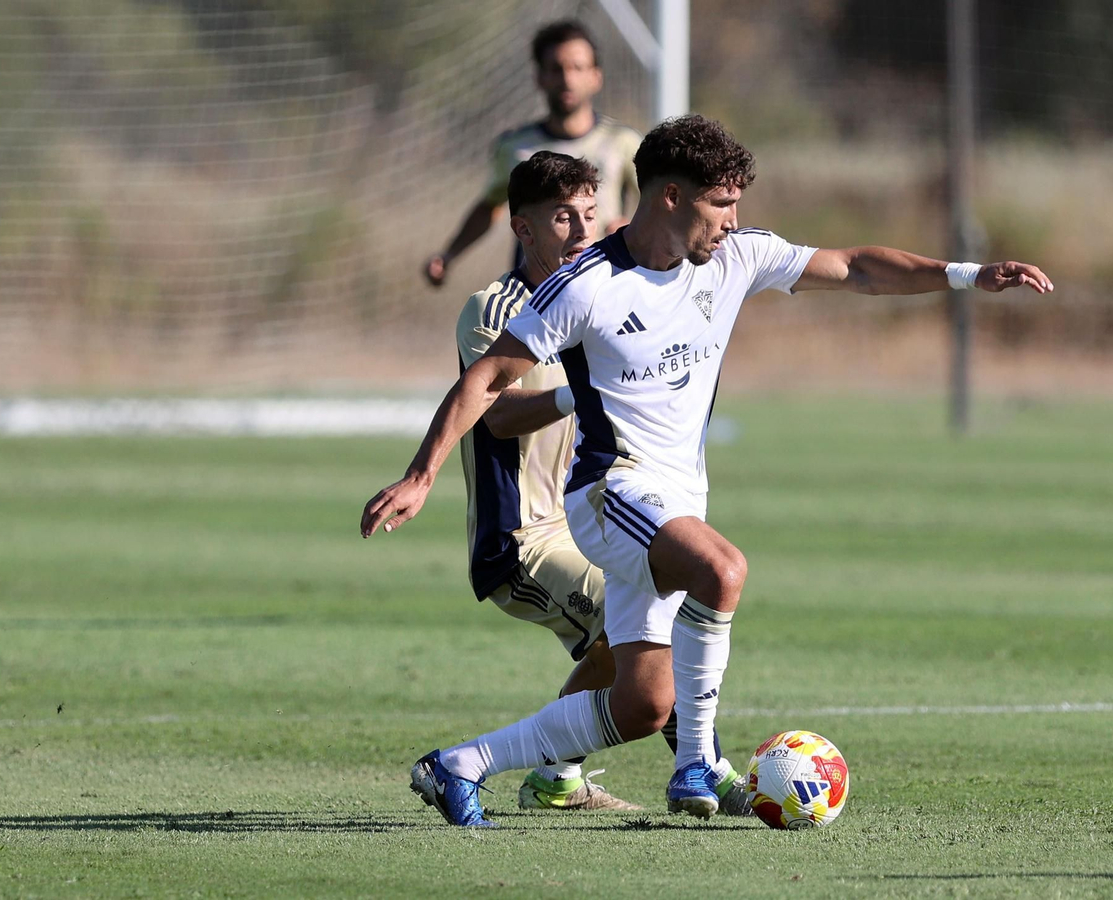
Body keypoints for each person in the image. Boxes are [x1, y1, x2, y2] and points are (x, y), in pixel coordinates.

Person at [363, 115, 1053, 827]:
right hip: (609, 492)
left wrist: (969, 275)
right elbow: (486, 379)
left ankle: (459, 765)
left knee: (640, 705)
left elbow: (855, 268)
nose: (733, 220)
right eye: (721, 204)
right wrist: (421, 475)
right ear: (669, 196)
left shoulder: (736, 257)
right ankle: (698, 765)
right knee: (722, 570)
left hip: (678, 497)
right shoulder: (586, 285)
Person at [446, 149, 752, 816]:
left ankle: (555, 777)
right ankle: (707, 770)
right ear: (523, 229)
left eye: (590, 212)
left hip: (595, 518)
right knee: (653, 637)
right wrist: (579, 397)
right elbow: (495, 414)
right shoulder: (494, 308)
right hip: (524, 538)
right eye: (563, 217)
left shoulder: (609, 290)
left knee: (650, 638)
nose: (583, 229)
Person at [424, 20, 641, 288]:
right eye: (557, 69)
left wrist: (630, 230)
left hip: (603, 286)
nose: (567, 79)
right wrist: (448, 255)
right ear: (539, 77)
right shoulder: (516, 147)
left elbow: (657, 204)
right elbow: (490, 207)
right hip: (535, 291)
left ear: (596, 76)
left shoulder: (622, 142)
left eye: (577, 67)